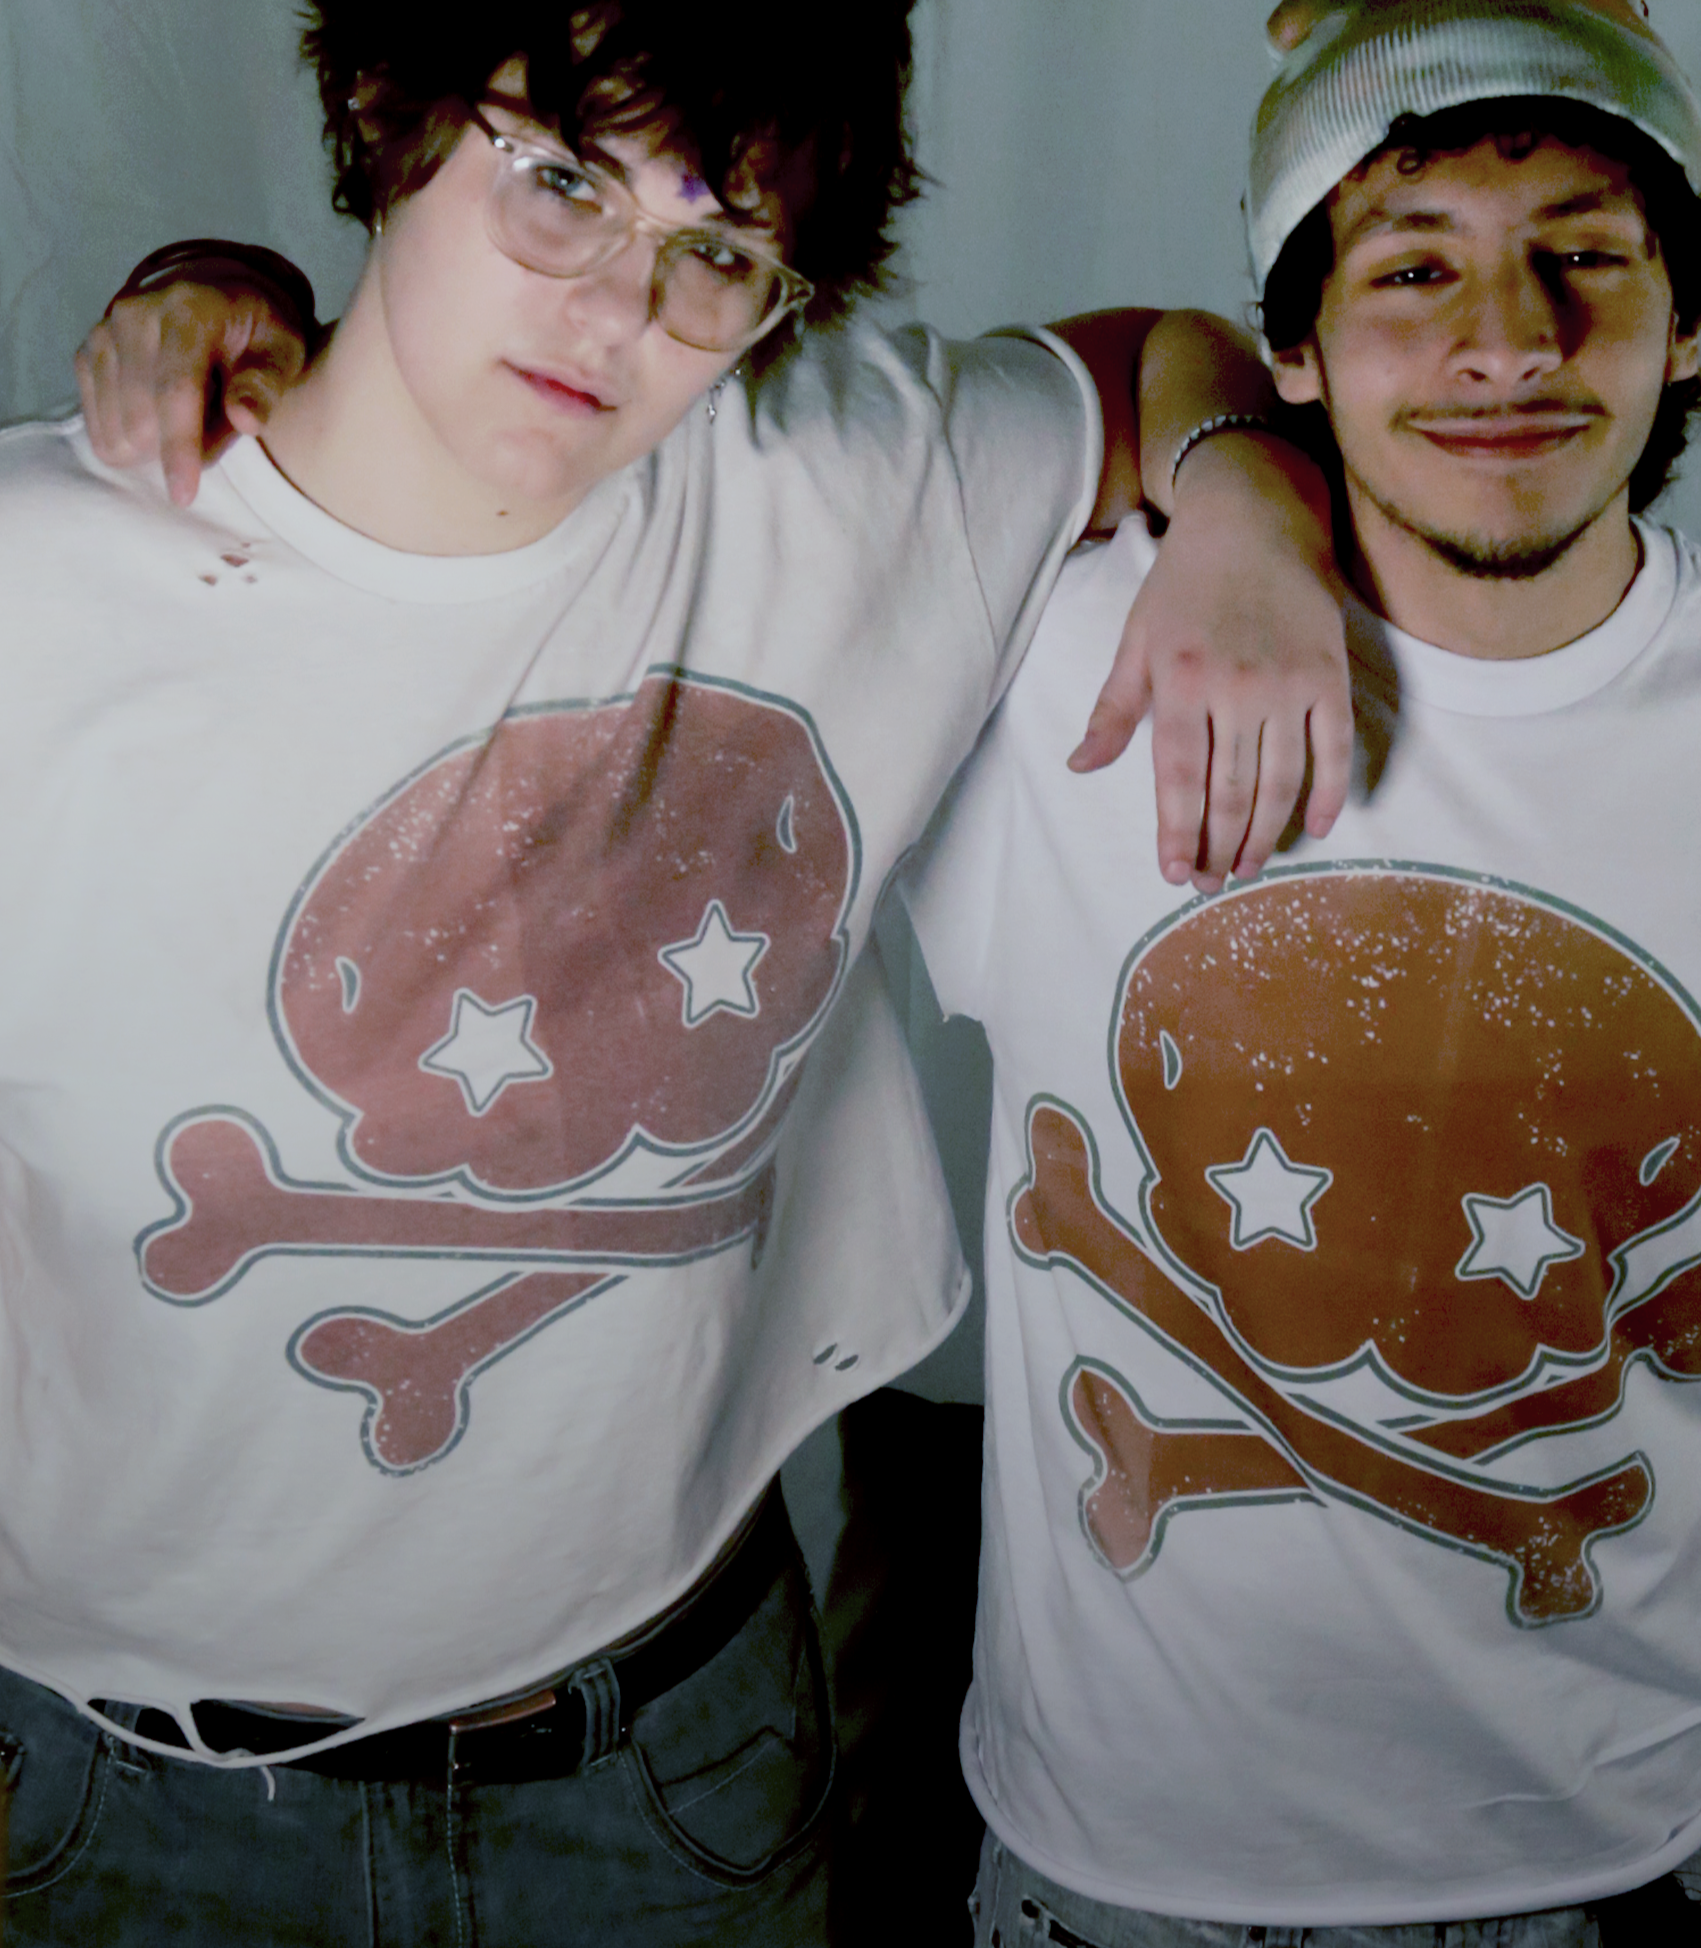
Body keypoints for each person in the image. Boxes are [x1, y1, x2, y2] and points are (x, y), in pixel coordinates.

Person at [0, 1, 1354, 1940]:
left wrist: (1248, 499)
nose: (616, 311)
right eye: (561, 185)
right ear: (389, 109)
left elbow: (1151, 368)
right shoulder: (40, 595)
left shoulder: (833, 488)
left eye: (714, 252)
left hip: (661, 1767)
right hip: (117, 1797)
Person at [899, 1, 1701, 1941]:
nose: (1509, 340)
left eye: (1586, 256)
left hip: (1609, 1850)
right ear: (1291, 345)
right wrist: (1226, 480)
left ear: (1689, 322)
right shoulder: (1062, 667)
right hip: (1113, 1871)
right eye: (1414, 271)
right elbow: (720, 465)